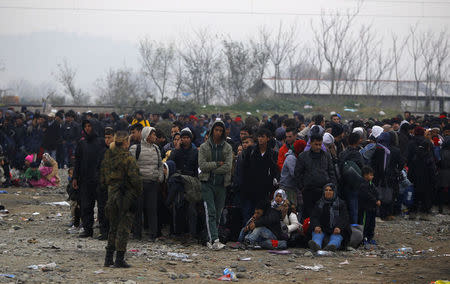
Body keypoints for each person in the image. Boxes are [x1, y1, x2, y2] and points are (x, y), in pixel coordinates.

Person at [101, 131, 142, 268]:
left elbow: (103, 176)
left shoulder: (108, 156)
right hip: (125, 196)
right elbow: (135, 179)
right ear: (125, 142)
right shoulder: (128, 158)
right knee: (124, 228)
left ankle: (108, 258)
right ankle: (119, 259)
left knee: (113, 226)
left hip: (111, 195)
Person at [198, 120, 233, 250]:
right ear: (212, 131)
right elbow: (202, 165)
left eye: (220, 131)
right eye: (216, 130)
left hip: (221, 184)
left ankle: (211, 237)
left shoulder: (227, 148)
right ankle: (214, 239)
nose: (218, 133)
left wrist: (212, 167)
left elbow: (228, 166)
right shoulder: (204, 147)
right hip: (207, 184)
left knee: (218, 213)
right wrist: (217, 164)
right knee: (210, 212)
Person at [73, 119, 107, 238]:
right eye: (85, 126)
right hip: (85, 179)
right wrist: (75, 177)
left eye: (90, 126)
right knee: (86, 206)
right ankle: (88, 229)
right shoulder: (82, 143)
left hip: (99, 180)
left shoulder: (102, 142)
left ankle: (104, 231)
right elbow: (77, 161)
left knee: (102, 207)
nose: (87, 128)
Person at [129, 127, 164, 241]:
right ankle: (137, 234)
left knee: (152, 210)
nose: (155, 137)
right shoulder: (135, 148)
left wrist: (160, 177)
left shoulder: (156, 149)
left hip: (153, 183)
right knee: (138, 210)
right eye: (153, 134)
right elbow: (131, 166)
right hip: (140, 184)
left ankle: (153, 235)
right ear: (147, 135)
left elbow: (160, 165)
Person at [241, 128, 279, 223]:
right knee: (248, 212)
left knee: (261, 213)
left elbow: (274, 171)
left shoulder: (272, 154)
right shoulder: (251, 151)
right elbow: (244, 169)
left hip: (264, 190)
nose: (260, 139)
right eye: (259, 136)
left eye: (263, 137)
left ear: (268, 138)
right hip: (250, 188)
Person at [295, 134, 336, 219]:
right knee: (309, 216)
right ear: (311, 143)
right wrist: (302, 187)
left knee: (323, 215)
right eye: (316, 144)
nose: (318, 147)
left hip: (324, 191)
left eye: (320, 144)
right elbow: (297, 174)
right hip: (309, 191)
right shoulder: (303, 156)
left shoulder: (326, 156)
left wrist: (332, 186)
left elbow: (331, 171)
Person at [308, 183, 350, 251]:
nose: (328, 192)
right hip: (323, 229)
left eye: (330, 190)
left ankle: (331, 246)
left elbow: (344, 218)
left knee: (336, 237)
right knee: (317, 235)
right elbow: (314, 217)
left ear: (334, 192)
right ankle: (316, 246)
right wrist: (316, 226)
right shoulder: (319, 203)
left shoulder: (341, 203)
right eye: (326, 190)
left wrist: (339, 227)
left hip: (336, 229)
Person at [279, 139, 306, 209]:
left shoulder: (295, 157)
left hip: (292, 188)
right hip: (287, 188)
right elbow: (294, 174)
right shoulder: (291, 158)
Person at [358, 166, 380, 246]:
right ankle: (364, 238)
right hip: (365, 208)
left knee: (372, 223)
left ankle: (370, 237)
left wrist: (377, 199)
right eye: (370, 175)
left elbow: (376, 192)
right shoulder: (362, 185)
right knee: (365, 224)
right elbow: (366, 195)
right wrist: (375, 200)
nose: (372, 176)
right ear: (365, 175)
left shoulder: (371, 184)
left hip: (372, 208)